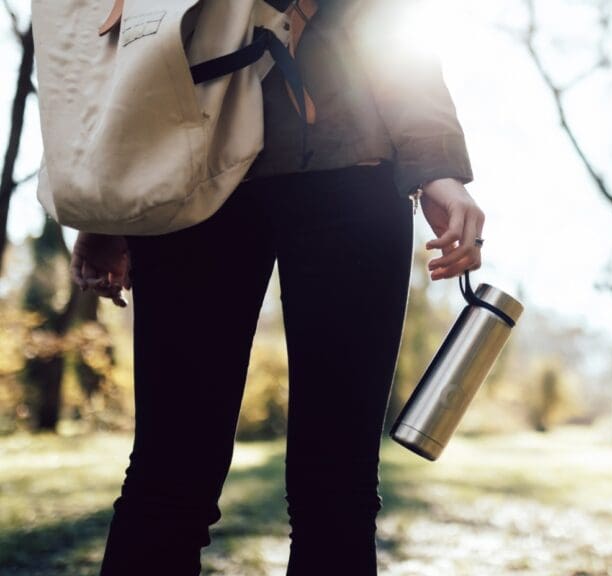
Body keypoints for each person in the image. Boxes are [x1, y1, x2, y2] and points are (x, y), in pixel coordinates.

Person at [69, 1, 483, 574]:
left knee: (328, 485)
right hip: (197, 171)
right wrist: (105, 206)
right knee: (173, 478)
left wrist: (436, 163)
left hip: (338, 166)